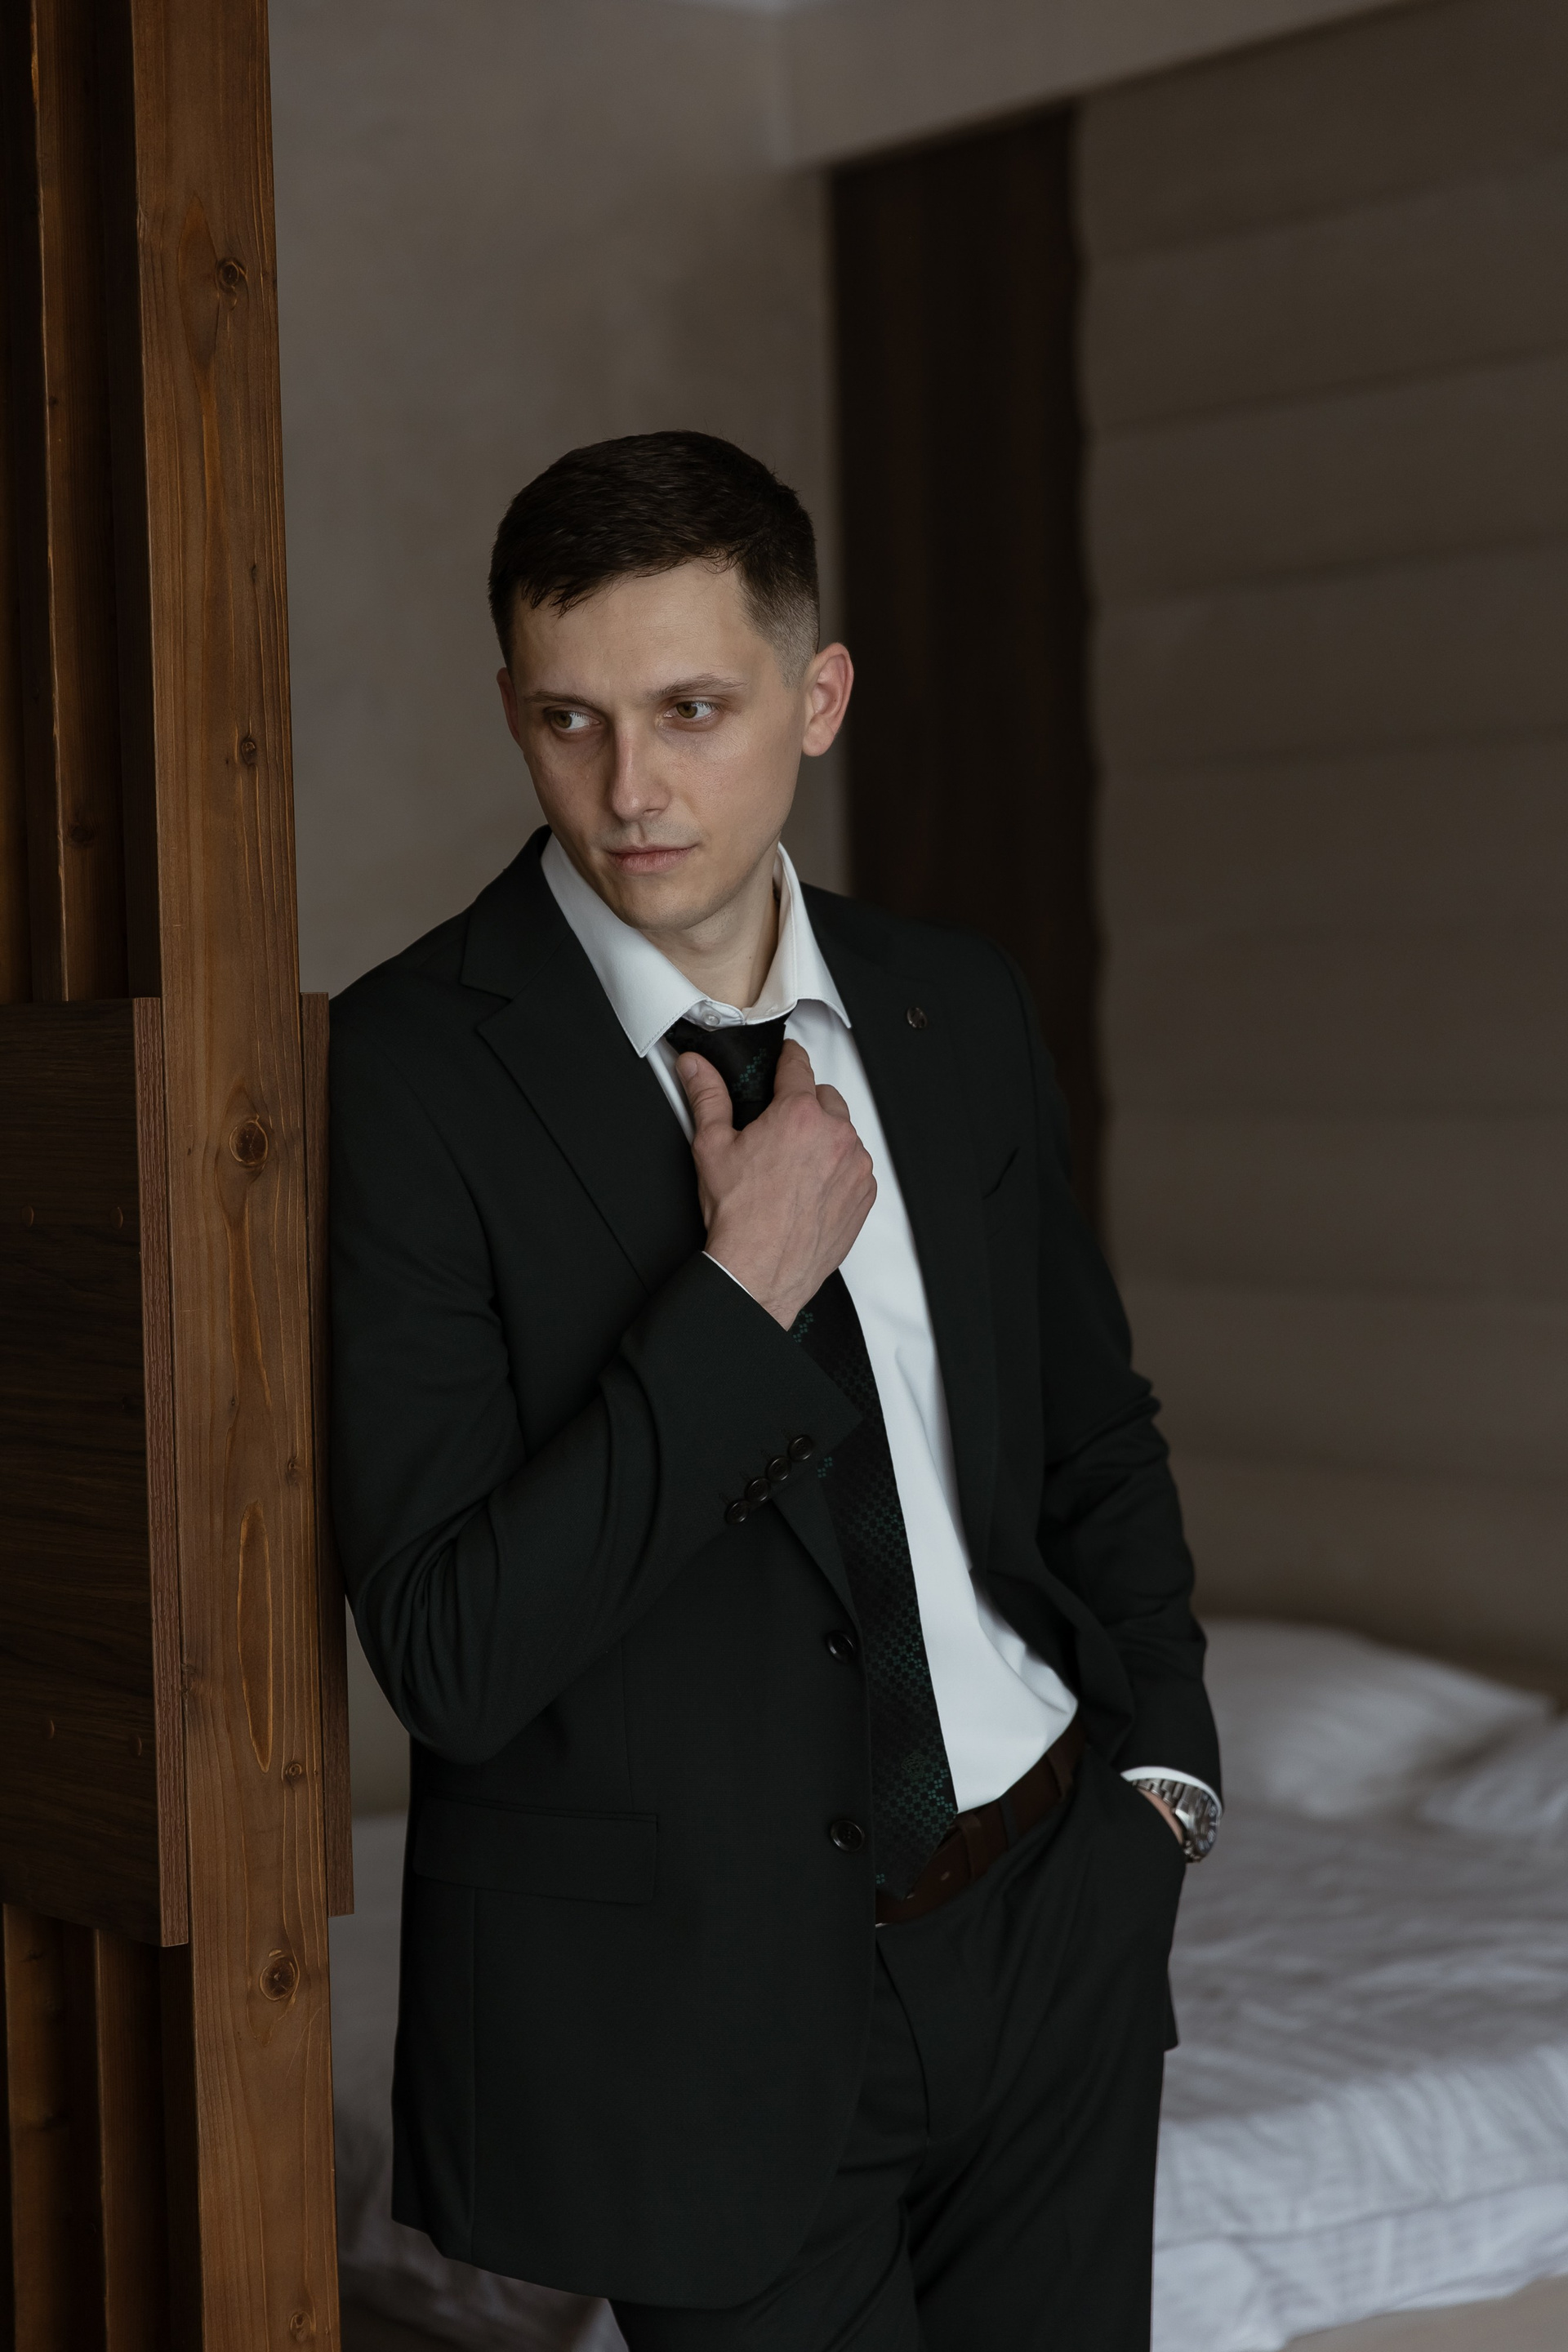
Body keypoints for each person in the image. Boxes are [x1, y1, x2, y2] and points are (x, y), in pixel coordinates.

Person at [329, 430, 1222, 2351]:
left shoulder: (953, 1004)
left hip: (1052, 1914)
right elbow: (449, 1653)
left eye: (692, 710)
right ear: (512, 708)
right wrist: (743, 1298)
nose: (628, 791)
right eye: (567, 719)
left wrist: (1162, 1780)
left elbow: (1091, 1424)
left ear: (816, 700)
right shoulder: (404, 1072)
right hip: (697, 2019)